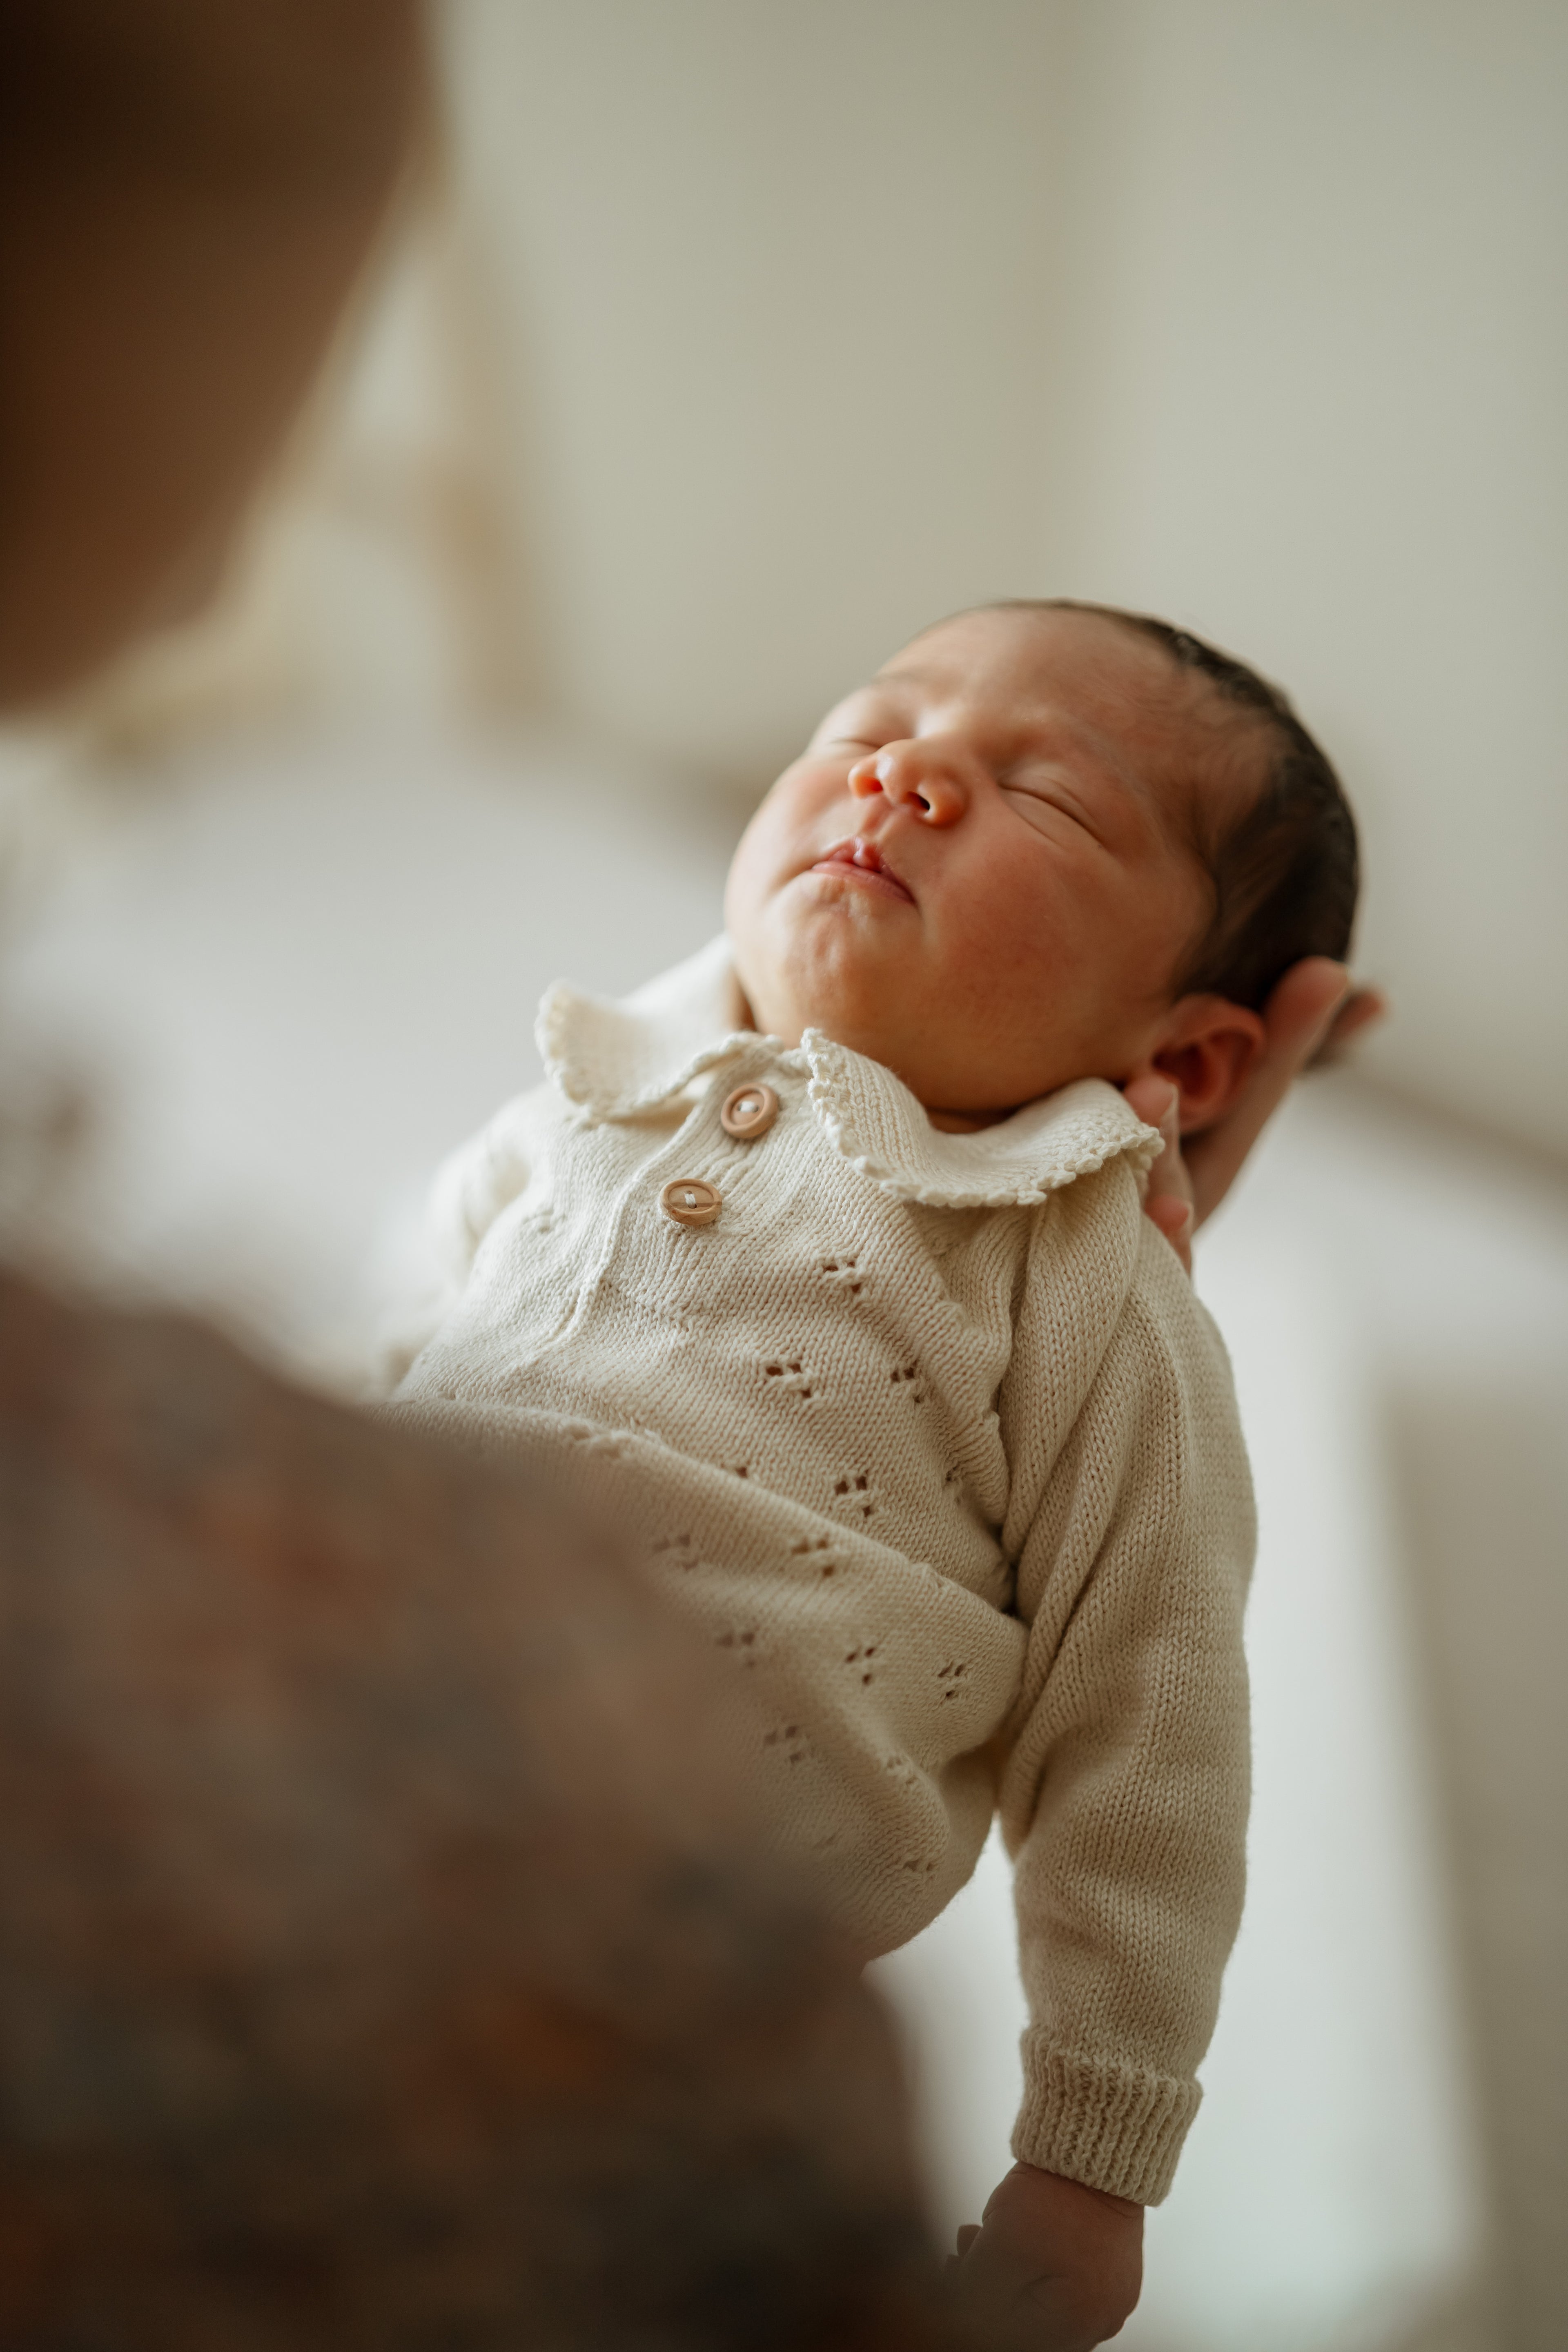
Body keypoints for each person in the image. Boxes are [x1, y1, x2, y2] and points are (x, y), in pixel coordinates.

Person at [385, 596, 1379, 2347]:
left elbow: (1148, 1730)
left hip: (688, 1962)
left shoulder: (1091, 1297)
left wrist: (1092, 2161)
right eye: (866, 727)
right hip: (335, 1767)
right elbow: (364, 1385)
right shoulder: (583, 1104)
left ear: (1192, 1058)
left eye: (1049, 797)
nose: (902, 775)